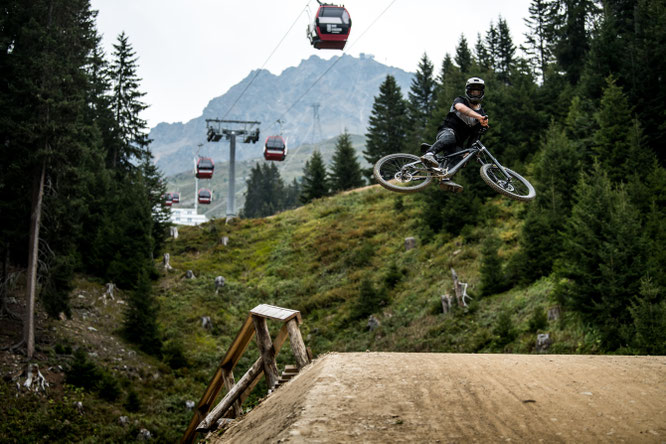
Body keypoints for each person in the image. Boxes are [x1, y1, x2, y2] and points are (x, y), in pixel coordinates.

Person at [421, 77, 489, 192]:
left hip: (458, 143)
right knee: (450, 137)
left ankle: (445, 178)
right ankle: (430, 154)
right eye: (473, 91)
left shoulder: (482, 114)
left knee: (461, 158)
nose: (475, 94)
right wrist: (479, 117)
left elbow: (474, 137)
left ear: (482, 93)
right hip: (447, 131)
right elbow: (460, 108)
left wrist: (468, 152)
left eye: (478, 91)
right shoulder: (461, 100)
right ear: (468, 92)